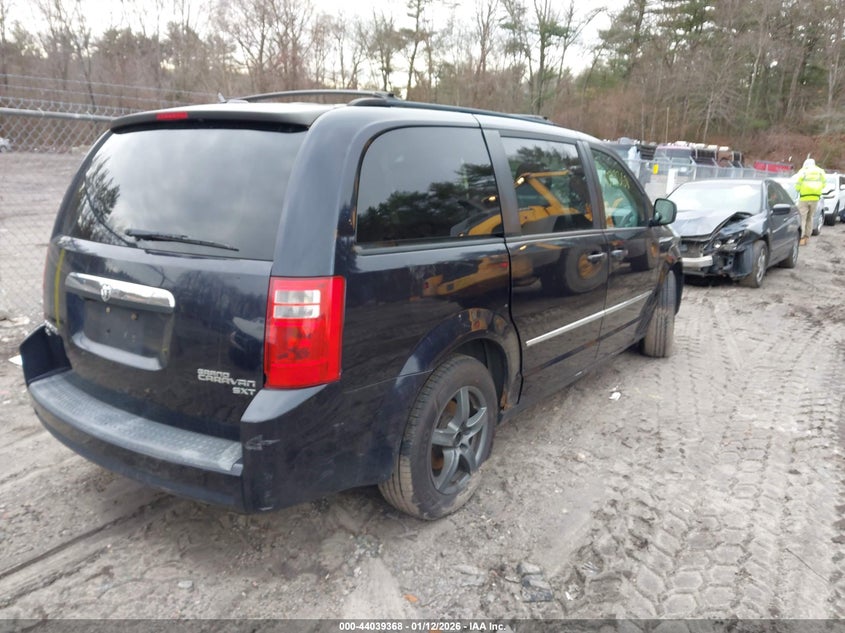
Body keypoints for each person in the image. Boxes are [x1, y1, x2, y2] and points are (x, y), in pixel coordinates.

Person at [794, 157, 826, 245]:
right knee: (810, 217)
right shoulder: (820, 171)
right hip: (815, 198)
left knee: (802, 218)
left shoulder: (803, 171)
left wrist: (800, 190)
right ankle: (807, 236)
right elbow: (824, 184)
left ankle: (801, 237)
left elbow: (797, 185)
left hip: (804, 197)